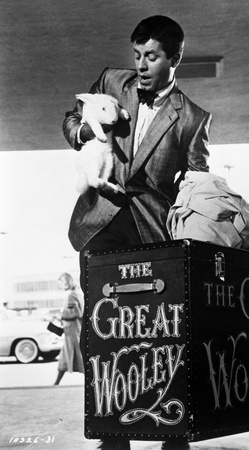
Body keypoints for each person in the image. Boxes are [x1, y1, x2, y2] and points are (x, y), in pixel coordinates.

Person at [63, 16, 210, 449]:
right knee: (103, 325)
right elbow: (72, 120)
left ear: (175, 58)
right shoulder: (112, 81)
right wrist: (87, 131)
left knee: (163, 331)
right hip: (99, 222)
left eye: (152, 56)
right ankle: (112, 432)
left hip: (154, 232)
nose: (142, 65)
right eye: (137, 55)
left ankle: (173, 429)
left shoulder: (193, 118)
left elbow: (197, 182)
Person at [53, 273, 84, 385]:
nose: (60, 286)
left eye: (61, 283)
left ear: (66, 282)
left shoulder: (71, 295)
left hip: (72, 330)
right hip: (73, 330)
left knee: (73, 355)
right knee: (70, 356)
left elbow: (77, 312)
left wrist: (62, 316)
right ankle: (56, 382)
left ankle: (56, 382)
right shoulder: (77, 293)